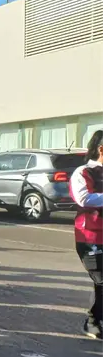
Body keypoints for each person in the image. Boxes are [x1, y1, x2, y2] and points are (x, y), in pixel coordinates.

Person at [70, 130, 103, 339]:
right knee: (101, 280)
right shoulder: (84, 172)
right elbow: (84, 198)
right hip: (90, 236)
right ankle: (92, 321)